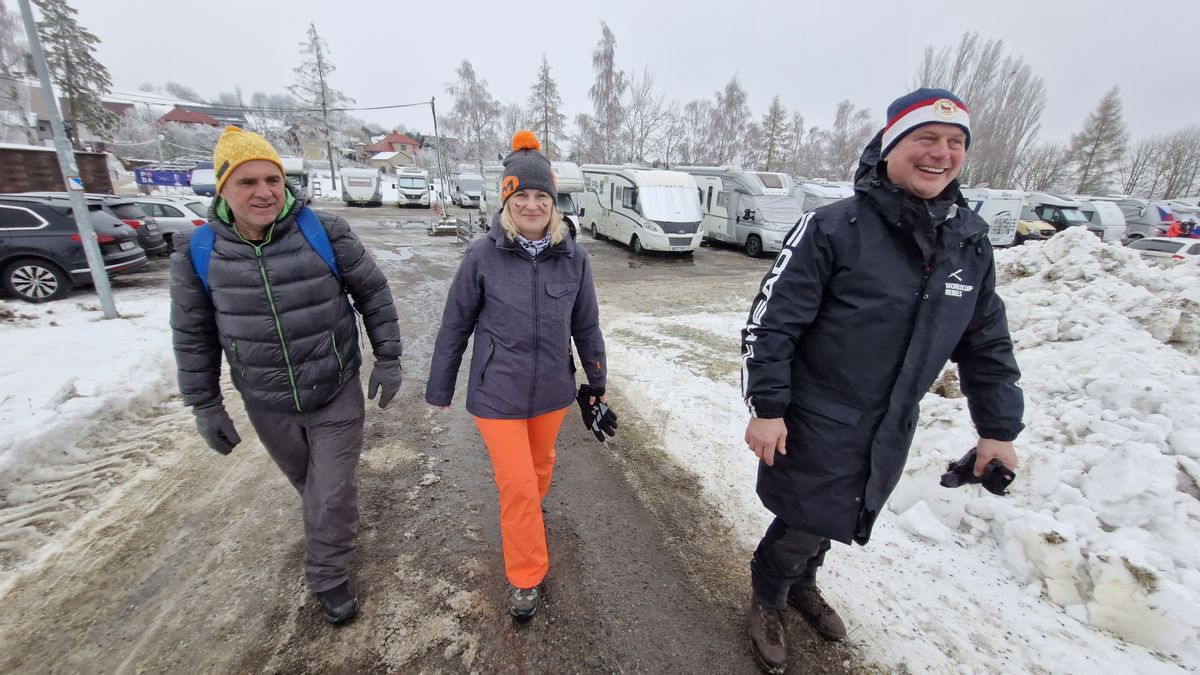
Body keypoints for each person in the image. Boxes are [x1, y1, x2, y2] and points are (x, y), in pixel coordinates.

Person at [740, 89, 1024, 673]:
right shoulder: (832, 228)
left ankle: (800, 585)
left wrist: (997, 427)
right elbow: (771, 324)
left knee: (841, 514)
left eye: (955, 143)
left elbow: (987, 342)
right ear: (892, 145)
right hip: (815, 415)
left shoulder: (968, 243)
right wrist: (767, 406)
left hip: (890, 418)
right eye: (926, 138)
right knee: (804, 517)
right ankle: (768, 597)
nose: (940, 154)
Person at [169, 126, 403, 624]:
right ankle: (333, 526)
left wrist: (388, 357)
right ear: (222, 189)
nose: (264, 192)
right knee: (312, 485)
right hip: (266, 399)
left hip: (335, 386)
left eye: (272, 179)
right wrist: (204, 405)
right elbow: (193, 336)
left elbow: (373, 293)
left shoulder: (324, 231)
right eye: (247, 181)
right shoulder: (198, 253)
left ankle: (327, 576)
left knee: (331, 489)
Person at [426, 130, 612, 621]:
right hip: (496, 394)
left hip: (551, 392)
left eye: (541, 196)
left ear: (554, 202)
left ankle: (524, 514)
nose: (532, 205)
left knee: (539, 471)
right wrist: (440, 385)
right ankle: (525, 577)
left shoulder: (575, 258)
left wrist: (596, 386)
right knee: (518, 485)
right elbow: (456, 323)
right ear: (507, 200)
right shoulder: (482, 256)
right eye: (521, 195)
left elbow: (586, 325)